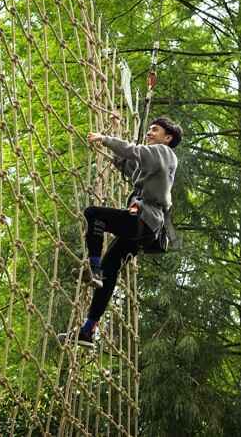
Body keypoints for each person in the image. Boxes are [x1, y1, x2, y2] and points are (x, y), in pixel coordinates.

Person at [58, 116, 182, 348]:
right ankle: (88, 330)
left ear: (168, 138)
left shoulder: (164, 154)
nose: (150, 133)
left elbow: (134, 151)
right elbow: (128, 164)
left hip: (144, 220)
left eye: (155, 130)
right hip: (145, 228)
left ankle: (93, 268)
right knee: (109, 271)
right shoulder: (156, 161)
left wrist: (105, 139)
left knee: (94, 214)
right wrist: (116, 135)